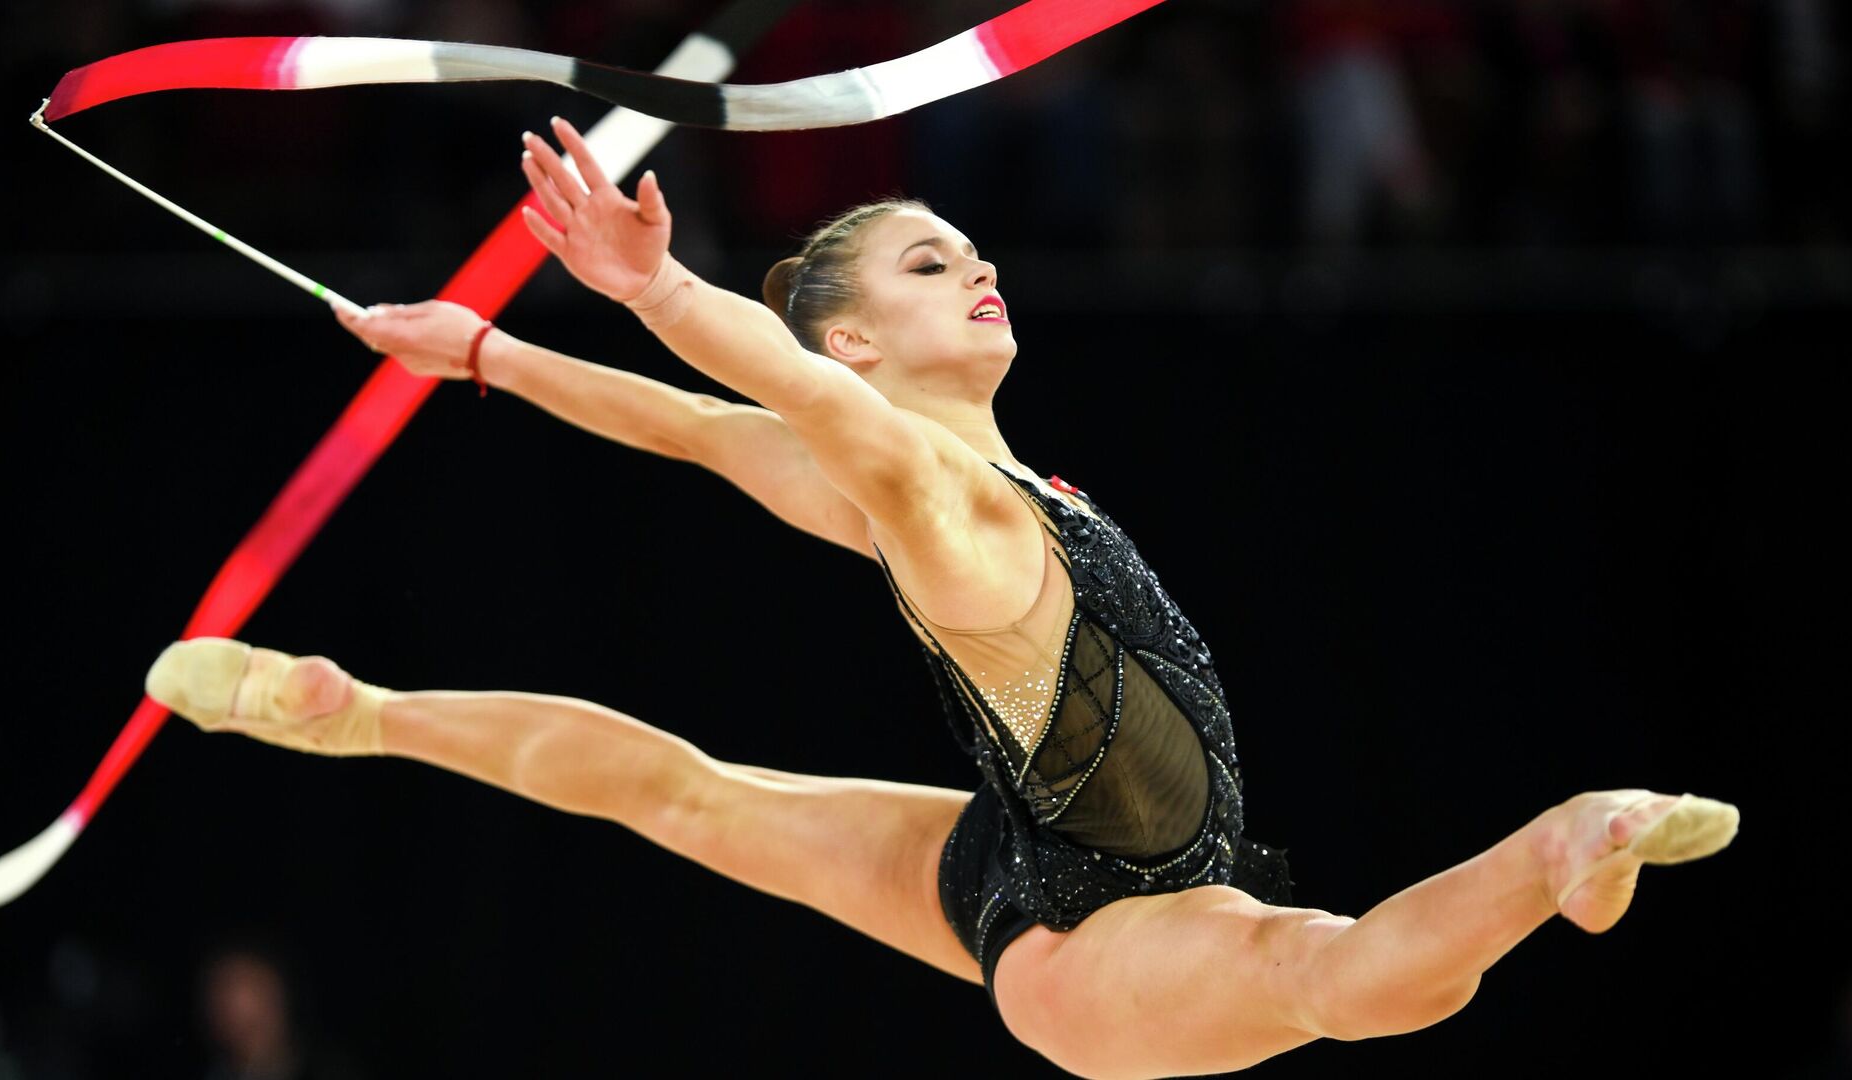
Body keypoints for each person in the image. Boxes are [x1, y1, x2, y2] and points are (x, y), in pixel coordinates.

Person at [146, 117, 1738, 1079]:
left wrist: (489, 353)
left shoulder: (938, 484)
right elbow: (762, 389)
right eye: (928, 266)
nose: (977, 271)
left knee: (682, 795)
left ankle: (357, 714)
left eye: (970, 252)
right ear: (854, 344)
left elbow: (694, 428)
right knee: (1333, 976)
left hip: (1012, 856)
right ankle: (1557, 850)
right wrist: (654, 288)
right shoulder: (930, 492)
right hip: (1108, 939)